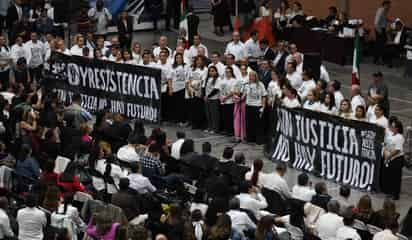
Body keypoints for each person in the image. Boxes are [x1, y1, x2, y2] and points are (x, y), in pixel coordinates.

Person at [382, 119, 404, 200]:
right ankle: (389, 191)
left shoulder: (400, 137)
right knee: (389, 176)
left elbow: (397, 150)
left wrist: (389, 156)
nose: (391, 127)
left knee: (396, 177)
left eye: (393, 126)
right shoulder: (390, 134)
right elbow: (385, 144)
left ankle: (395, 194)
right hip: (388, 156)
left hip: (396, 159)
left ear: (397, 128)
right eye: (391, 126)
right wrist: (385, 153)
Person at [244, 71, 267, 144]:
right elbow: (243, 94)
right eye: (250, 76)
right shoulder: (246, 84)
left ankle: (259, 140)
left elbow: (264, 96)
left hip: (257, 106)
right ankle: (250, 139)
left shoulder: (260, 84)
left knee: (258, 124)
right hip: (249, 106)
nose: (251, 77)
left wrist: (263, 106)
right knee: (249, 123)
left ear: (256, 76)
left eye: (252, 76)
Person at [204, 66, 221, 133]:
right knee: (208, 114)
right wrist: (205, 96)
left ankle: (215, 128)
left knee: (214, 115)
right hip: (207, 98)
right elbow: (205, 88)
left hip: (214, 99)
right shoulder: (208, 79)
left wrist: (208, 96)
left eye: (213, 71)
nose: (211, 72)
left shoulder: (218, 79)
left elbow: (216, 89)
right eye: (210, 71)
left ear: (216, 72)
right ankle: (210, 127)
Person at [374, 1, 391, 65]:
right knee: (380, 46)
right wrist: (379, 31)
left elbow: (384, 19)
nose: (389, 7)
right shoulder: (381, 11)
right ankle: (378, 60)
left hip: (381, 29)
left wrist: (390, 20)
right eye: (389, 5)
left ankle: (379, 59)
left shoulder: (384, 11)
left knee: (382, 45)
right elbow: (376, 22)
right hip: (379, 29)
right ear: (385, 5)